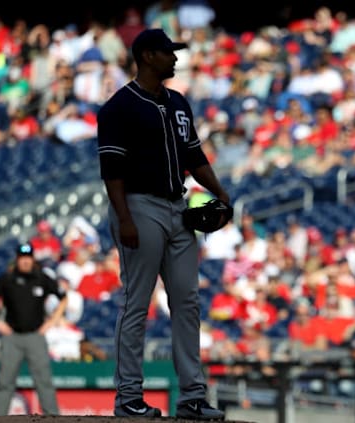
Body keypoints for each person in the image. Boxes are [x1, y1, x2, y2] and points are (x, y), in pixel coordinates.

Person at [96, 28, 229, 420]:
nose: (174, 58)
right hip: (138, 206)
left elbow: (194, 154)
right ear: (147, 56)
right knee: (137, 303)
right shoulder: (119, 107)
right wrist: (124, 218)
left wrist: (221, 193)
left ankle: (192, 396)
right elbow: (112, 171)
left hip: (178, 205)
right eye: (168, 52)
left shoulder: (178, 102)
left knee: (187, 301)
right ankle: (128, 398)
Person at [0, 243, 66, 416]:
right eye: (22, 258)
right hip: (12, 337)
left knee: (44, 381)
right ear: (17, 260)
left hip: (36, 336)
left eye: (28, 258)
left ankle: (53, 417)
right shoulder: (7, 279)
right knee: (5, 381)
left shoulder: (42, 278)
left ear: (33, 259)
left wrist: (52, 322)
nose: (25, 261)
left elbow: (63, 297)